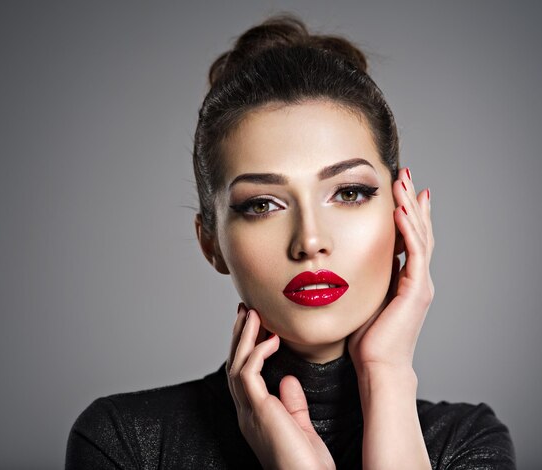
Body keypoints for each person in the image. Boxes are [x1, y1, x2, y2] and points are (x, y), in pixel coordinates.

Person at [65, 14, 515, 469]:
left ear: (403, 218)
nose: (310, 241)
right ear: (211, 243)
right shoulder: (124, 442)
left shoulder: (467, 442)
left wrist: (387, 376)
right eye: (262, 204)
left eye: (349, 193)